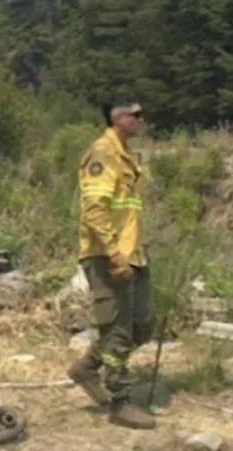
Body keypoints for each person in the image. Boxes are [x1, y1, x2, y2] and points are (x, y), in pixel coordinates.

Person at [66, 97, 156, 430]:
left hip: (133, 255)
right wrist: (114, 254)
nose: (142, 119)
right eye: (136, 114)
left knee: (142, 325)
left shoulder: (125, 157)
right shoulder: (102, 154)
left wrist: (134, 252)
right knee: (117, 329)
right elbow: (94, 210)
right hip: (107, 256)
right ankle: (120, 402)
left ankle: (87, 367)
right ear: (118, 119)